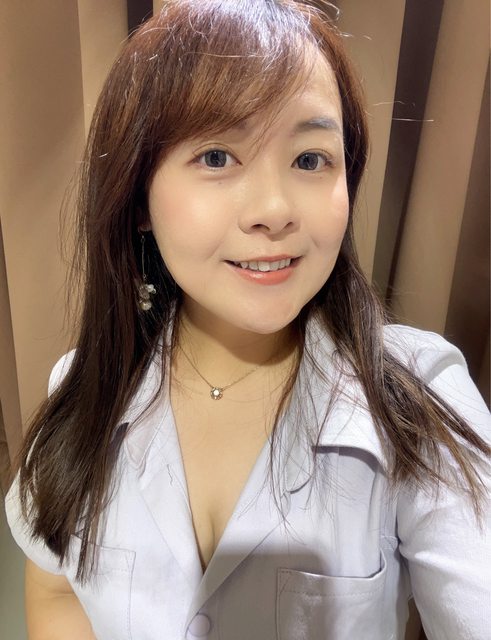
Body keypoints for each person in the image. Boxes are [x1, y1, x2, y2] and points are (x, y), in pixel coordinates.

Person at [5, 1, 490, 638]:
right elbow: (54, 583)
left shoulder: (420, 396)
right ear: (138, 197)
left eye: (310, 159)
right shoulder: (86, 384)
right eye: (216, 157)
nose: (274, 209)